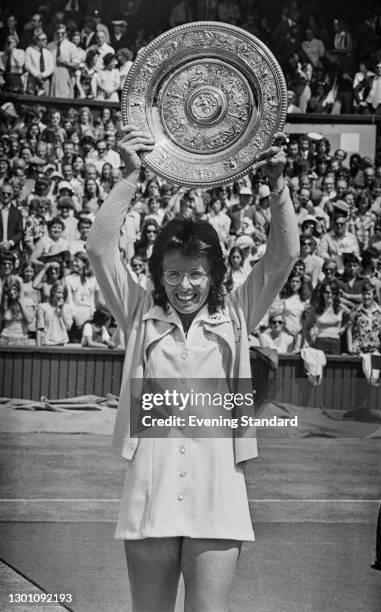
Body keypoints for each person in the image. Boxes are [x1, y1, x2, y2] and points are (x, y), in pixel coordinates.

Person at [87, 125, 299, 612]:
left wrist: (278, 187)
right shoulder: (139, 314)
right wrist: (128, 177)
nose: (185, 285)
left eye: (197, 273)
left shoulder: (239, 313)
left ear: (215, 275)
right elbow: (100, 248)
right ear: (159, 275)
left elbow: (284, 256)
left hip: (219, 485)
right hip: (151, 483)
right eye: (174, 273)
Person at [36, 281, 72, 346]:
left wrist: (61, 311)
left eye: (63, 293)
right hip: (46, 343)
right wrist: (38, 346)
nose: (61, 295)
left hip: (61, 343)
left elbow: (68, 327)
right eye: (59, 292)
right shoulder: (43, 307)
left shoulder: (66, 307)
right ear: (53, 292)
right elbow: (39, 328)